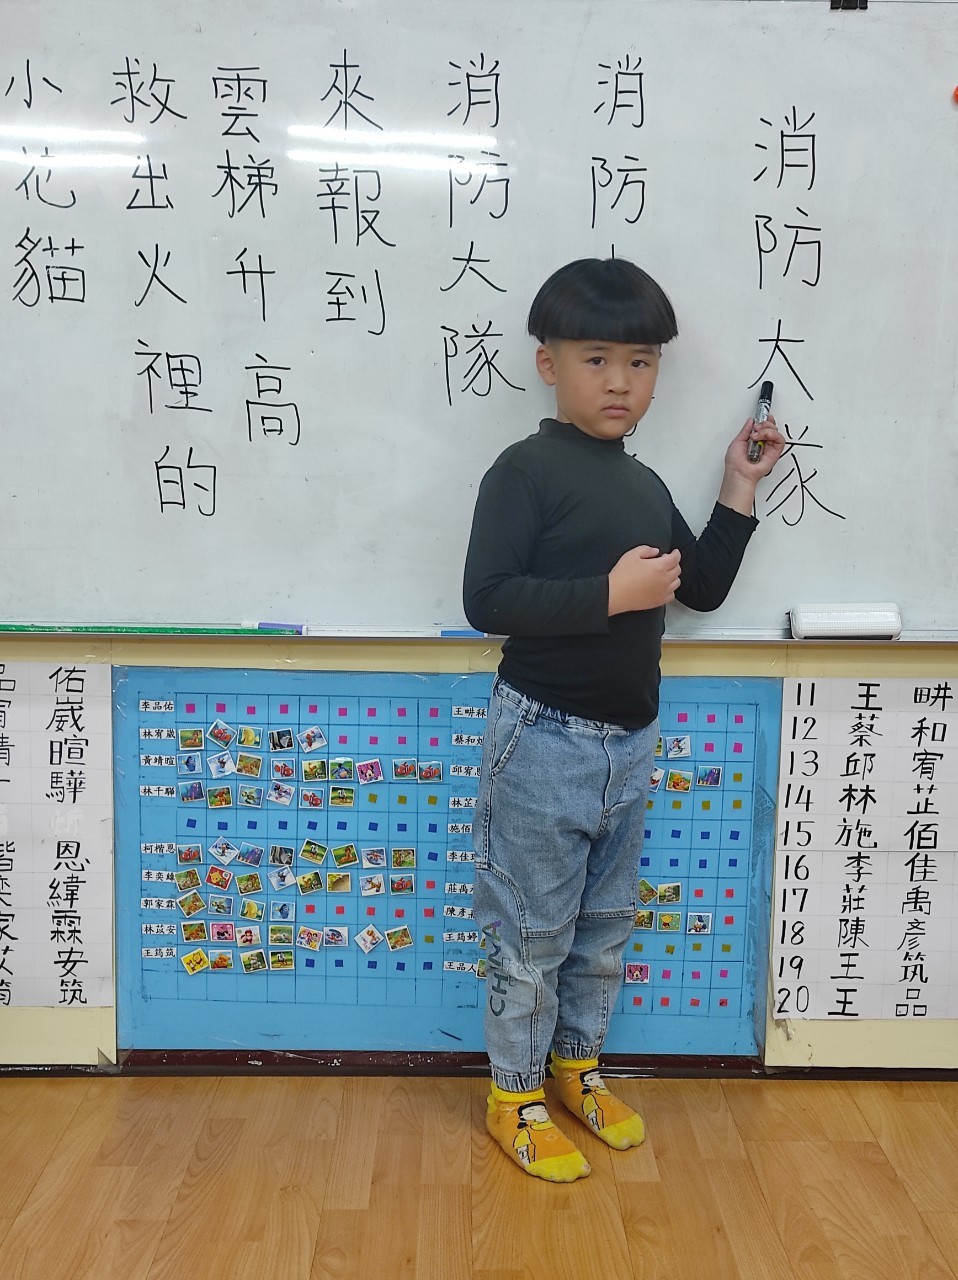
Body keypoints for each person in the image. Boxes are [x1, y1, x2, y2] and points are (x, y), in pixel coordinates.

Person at [462, 257, 784, 1183]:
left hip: (629, 743)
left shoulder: (640, 483)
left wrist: (738, 485)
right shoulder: (522, 470)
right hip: (542, 739)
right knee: (531, 935)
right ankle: (514, 1097)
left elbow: (701, 588)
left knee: (602, 928)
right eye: (596, 359)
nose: (620, 382)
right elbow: (488, 599)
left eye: (640, 363)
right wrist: (609, 594)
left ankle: (576, 1071)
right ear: (547, 364)